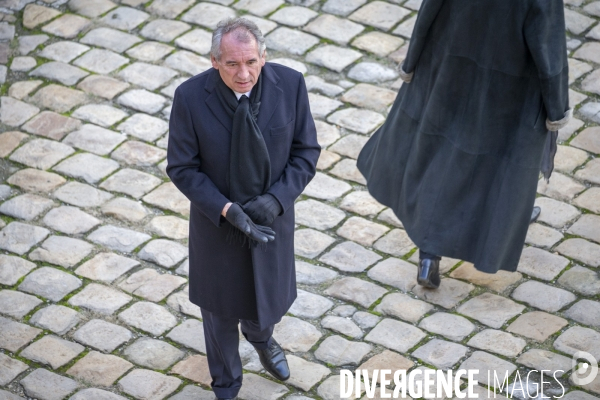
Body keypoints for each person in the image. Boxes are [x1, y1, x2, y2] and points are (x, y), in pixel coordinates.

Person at [357, 0, 570, 289]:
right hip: (509, 86)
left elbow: (429, 10)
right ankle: (503, 221)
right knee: (498, 162)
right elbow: (548, 45)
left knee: (442, 153)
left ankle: (429, 257)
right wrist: (557, 108)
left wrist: (413, 61)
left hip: (450, 66)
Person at [166, 17, 320, 400]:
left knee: (267, 297)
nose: (244, 73)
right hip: (217, 226)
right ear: (215, 60)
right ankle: (226, 386)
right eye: (232, 64)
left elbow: (306, 152)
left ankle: (261, 337)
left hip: (272, 223)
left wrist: (278, 199)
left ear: (263, 56)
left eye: (251, 61)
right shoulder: (189, 97)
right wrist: (225, 209)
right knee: (219, 314)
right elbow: (182, 167)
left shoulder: (291, 85)